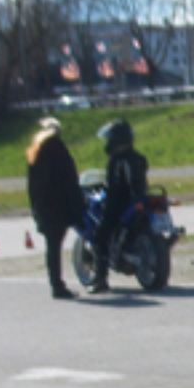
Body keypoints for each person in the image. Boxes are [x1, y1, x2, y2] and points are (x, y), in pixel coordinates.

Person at [25, 117, 85, 299]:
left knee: (52, 246)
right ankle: (58, 286)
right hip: (59, 205)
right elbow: (69, 180)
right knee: (55, 245)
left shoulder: (34, 152)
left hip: (44, 206)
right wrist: (77, 205)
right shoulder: (58, 151)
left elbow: (33, 185)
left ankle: (56, 283)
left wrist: (36, 207)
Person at [90, 118, 149, 293]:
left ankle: (100, 279)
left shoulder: (118, 161)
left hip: (122, 204)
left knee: (100, 236)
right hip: (140, 199)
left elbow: (115, 187)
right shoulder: (139, 158)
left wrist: (109, 204)